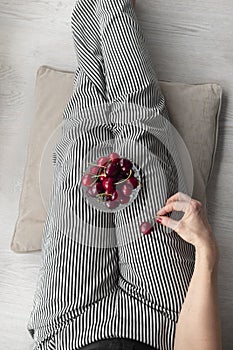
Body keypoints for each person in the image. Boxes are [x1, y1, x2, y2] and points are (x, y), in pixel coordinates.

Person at [27, 0, 222, 349]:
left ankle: (92, 13)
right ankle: (115, 8)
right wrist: (206, 251)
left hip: (70, 327)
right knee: (143, 148)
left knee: (83, 153)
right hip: (163, 322)